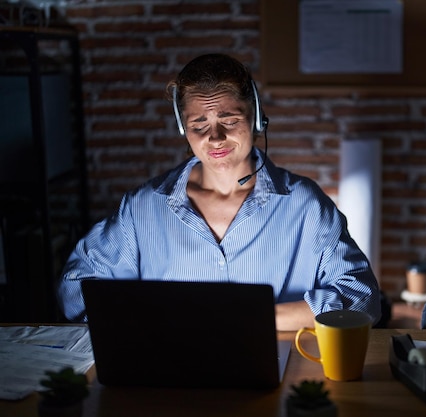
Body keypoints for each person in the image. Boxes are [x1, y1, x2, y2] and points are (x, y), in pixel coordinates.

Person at [57, 53, 381, 330]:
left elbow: (363, 299)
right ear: (184, 128)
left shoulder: (305, 205)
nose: (215, 138)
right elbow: (74, 291)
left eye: (229, 119)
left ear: (255, 117)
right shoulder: (143, 207)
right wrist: (156, 316)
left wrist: (251, 317)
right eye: (199, 125)